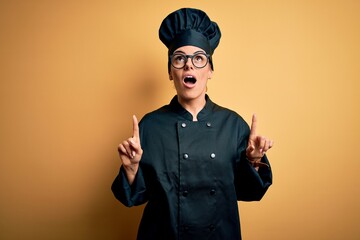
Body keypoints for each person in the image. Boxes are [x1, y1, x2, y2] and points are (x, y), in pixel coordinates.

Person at [112, 8, 273, 240]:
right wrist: (131, 169)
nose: (189, 65)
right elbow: (133, 198)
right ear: (170, 72)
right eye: (179, 58)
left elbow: (251, 191)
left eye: (198, 58)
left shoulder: (234, 125)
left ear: (210, 70)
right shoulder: (151, 126)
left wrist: (254, 161)